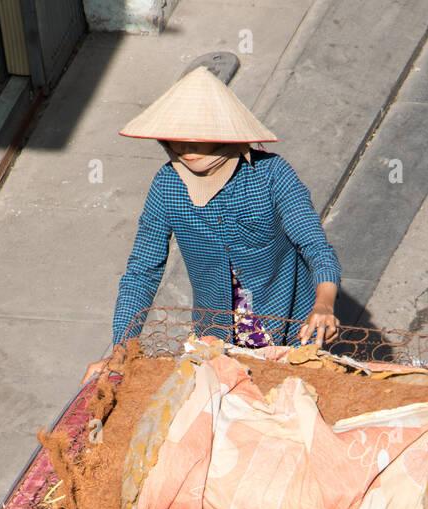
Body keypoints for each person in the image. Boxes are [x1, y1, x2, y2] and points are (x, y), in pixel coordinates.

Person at [81, 67, 341, 385]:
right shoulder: (166, 186)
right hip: (216, 341)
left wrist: (324, 304)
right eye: (176, 142)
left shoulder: (272, 174)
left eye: (196, 141)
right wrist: (121, 348)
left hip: (291, 330)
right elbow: (141, 273)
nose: (184, 150)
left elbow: (314, 245)